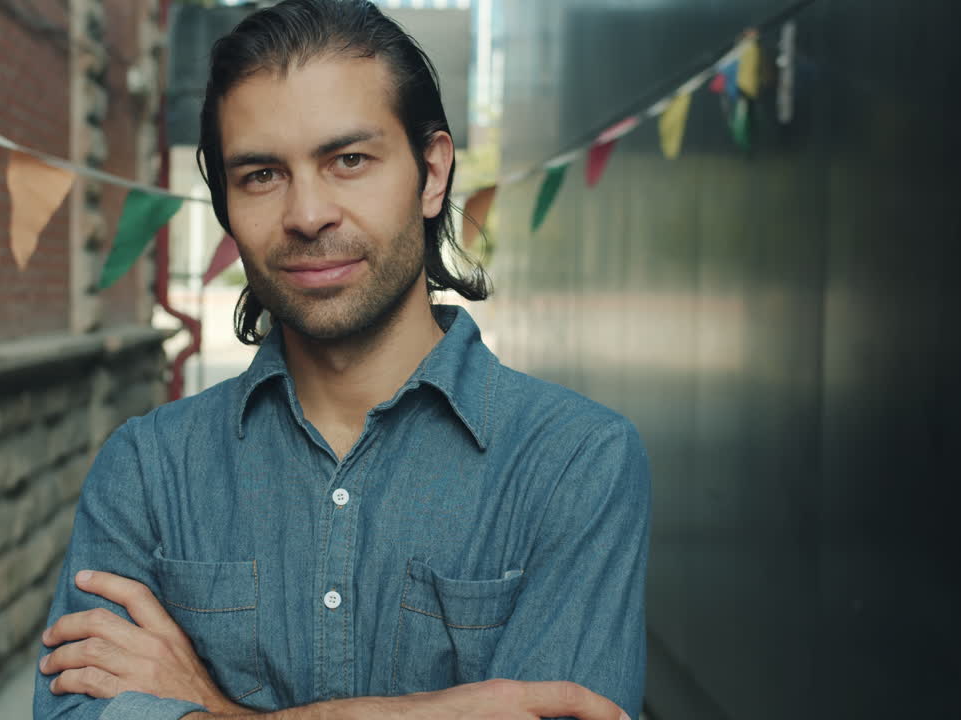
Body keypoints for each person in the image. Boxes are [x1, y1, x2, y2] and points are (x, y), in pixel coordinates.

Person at [34, 1, 649, 718]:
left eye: (348, 160)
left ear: (432, 173)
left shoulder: (576, 463)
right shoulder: (147, 470)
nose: (307, 213)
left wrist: (210, 708)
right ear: (226, 203)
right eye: (262, 174)